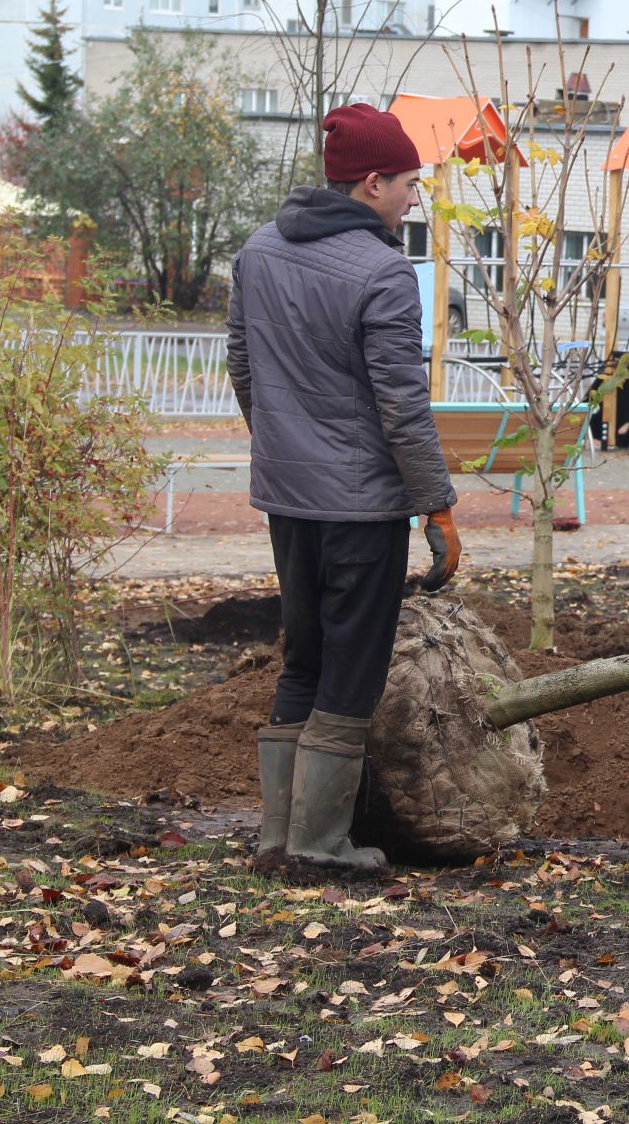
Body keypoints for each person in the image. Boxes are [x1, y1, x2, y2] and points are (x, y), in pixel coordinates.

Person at [228, 103, 462, 875]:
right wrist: (438, 505)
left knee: (303, 655)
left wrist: (283, 447)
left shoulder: (258, 250)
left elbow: (242, 363)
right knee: (353, 667)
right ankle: (321, 845)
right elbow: (402, 405)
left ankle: (277, 838)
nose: (413, 197)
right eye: (407, 183)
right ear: (370, 183)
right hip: (360, 506)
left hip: (287, 496)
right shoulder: (383, 271)